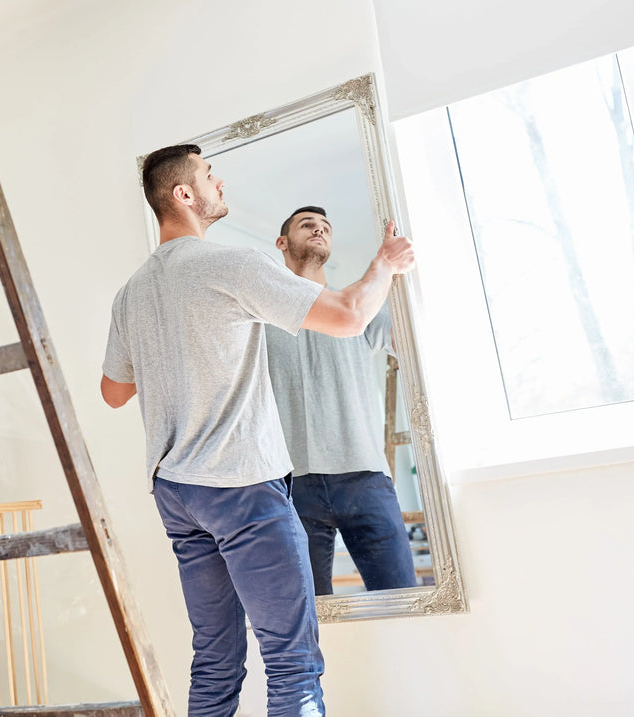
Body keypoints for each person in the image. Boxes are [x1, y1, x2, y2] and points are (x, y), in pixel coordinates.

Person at [100, 145, 413, 717]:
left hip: (177, 492)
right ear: (185, 195)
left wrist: (178, 360)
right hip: (241, 486)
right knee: (293, 665)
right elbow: (347, 316)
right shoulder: (234, 265)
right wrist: (386, 266)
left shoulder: (132, 292)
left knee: (215, 662)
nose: (220, 183)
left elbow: (114, 392)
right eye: (209, 176)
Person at [266, 206, 418, 596]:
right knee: (309, 616)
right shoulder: (260, 322)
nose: (318, 230)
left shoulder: (360, 310)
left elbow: (415, 344)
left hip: (365, 478)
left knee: (401, 597)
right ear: (282, 243)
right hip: (293, 485)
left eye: (325, 227)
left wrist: (399, 273)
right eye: (306, 225)